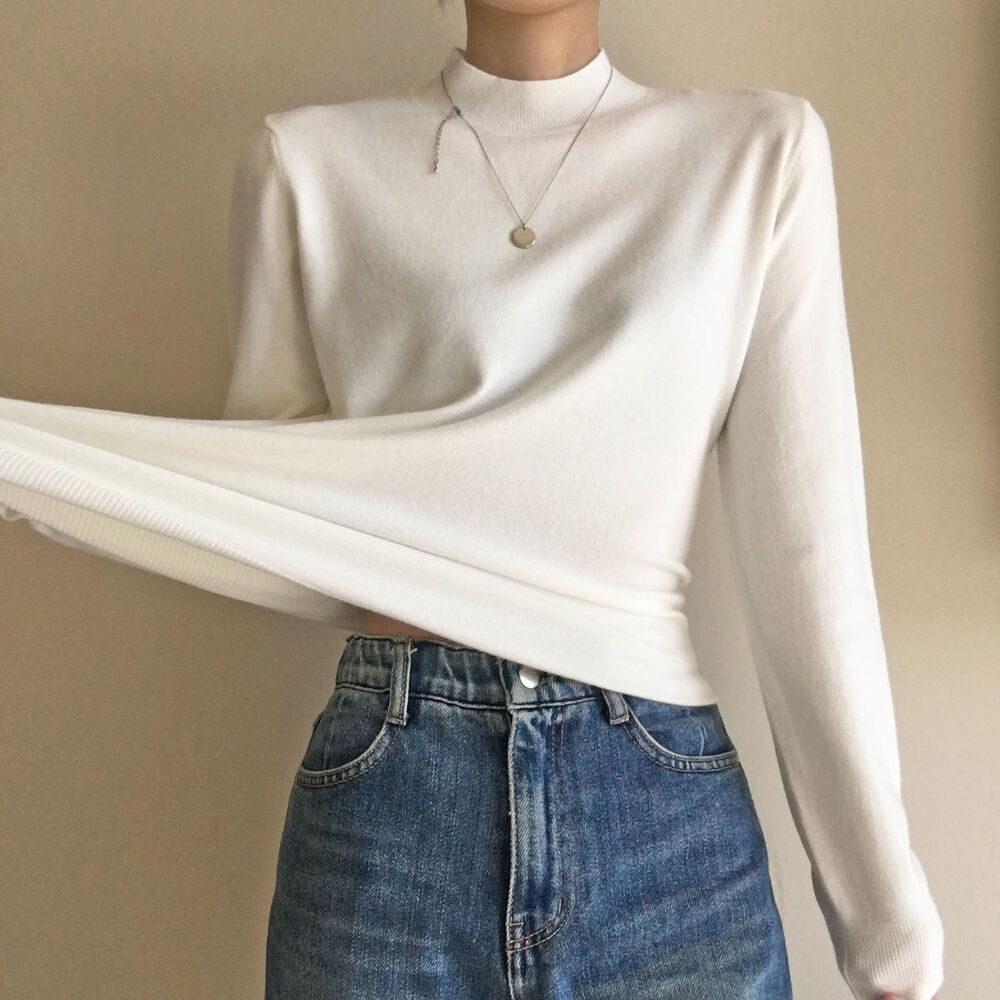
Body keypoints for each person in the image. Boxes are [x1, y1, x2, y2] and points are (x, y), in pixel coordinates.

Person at [0, 1, 944, 998]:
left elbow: (808, 559)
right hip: (390, 811)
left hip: (664, 838)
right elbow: (276, 512)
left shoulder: (756, 154)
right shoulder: (305, 164)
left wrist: (887, 923)